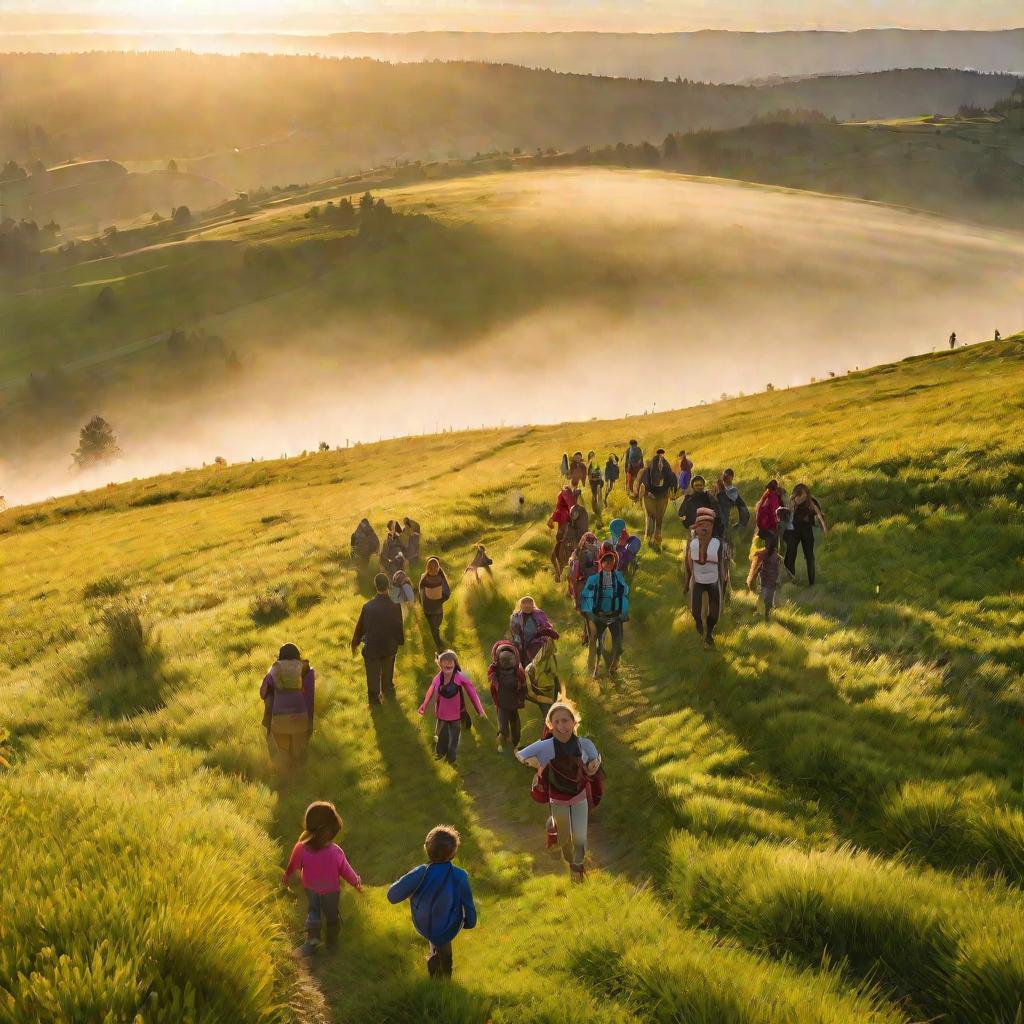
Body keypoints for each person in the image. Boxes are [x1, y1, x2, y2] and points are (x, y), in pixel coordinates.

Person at [516, 699, 602, 883]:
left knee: (580, 839)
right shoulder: (545, 746)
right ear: (550, 724)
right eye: (556, 722)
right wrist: (534, 763)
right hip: (557, 799)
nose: (561, 725)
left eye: (565, 720)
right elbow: (520, 754)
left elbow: (595, 759)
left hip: (579, 797)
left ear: (574, 722)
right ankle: (571, 860)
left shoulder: (584, 744)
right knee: (565, 842)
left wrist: (595, 765)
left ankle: (577, 870)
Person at [387, 825, 477, 980]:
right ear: (453, 853)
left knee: (434, 935)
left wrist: (406, 884)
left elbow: (392, 896)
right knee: (444, 944)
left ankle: (435, 963)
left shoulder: (421, 872)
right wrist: (470, 922)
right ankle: (445, 974)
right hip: (449, 923)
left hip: (424, 922)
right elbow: (468, 904)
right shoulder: (459, 875)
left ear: (426, 848)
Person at [282, 801, 363, 956]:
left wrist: (286, 879)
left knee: (316, 912)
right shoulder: (335, 852)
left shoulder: (302, 848)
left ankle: (317, 940)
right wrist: (356, 883)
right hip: (330, 890)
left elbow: (292, 867)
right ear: (329, 832)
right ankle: (328, 942)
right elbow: (346, 871)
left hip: (314, 889)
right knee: (328, 914)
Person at [418, 650, 486, 765]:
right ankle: (439, 753)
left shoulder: (460, 677)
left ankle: (451, 759)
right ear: (440, 664)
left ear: (455, 664)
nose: (448, 665)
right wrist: (424, 705)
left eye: (450, 663)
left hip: (456, 715)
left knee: (454, 739)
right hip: (442, 714)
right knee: (441, 736)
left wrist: (479, 710)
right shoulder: (437, 679)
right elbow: (430, 692)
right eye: (445, 663)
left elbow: (472, 693)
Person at [351, 573, 405, 705]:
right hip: (389, 646)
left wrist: (355, 642)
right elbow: (398, 626)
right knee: (387, 672)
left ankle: (374, 699)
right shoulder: (395, 606)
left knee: (372, 674)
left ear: (375, 586)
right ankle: (388, 691)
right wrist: (399, 641)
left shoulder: (368, 607)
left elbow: (361, 627)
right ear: (388, 585)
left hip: (372, 647)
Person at [260, 643, 315, 768]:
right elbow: (309, 699)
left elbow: (262, 693)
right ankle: (302, 779)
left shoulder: (276, 668)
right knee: (300, 756)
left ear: (280, 656)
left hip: (280, 720)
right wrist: (310, 724)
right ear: (297, 656)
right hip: (300, 719)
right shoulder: (307, 670)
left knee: (285, 754)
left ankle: (285, 777)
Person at [580, 550, 629, 678]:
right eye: (606, 563)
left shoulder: (618, 576)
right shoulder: (594, 579)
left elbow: (625, 591)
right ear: (601, 564)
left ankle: (614, 664)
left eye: (611, 563)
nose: (609, 565)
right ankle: (591, 669)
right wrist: (589, 615)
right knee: (594, 642)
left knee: (618, 642)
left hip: (614, 615)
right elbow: (586, 595)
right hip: (599, 616)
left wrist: (623, 611)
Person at [685, 508, 723, 649]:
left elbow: (721, 565)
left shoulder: (717, 544)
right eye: (702, 525)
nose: (705, 528)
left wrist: (723, 580)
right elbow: (689, 562)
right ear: (697, 527)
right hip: (698, 580)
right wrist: (688, 579)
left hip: (713, 581)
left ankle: (709, 634)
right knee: (695, 611)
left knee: (714, 614)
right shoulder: (693, 544)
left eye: (709, 525)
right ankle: (699, 625)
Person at [784, 483, 828, 584]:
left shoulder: (811, 502)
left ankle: (812, 581)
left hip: (806, 529)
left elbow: (820, 517)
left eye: (804, 496)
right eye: (800, 496)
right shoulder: (791, 501)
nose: (801, 499)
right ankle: (790, 579)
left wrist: (825, 530)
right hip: (793, 530)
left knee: (809, 555)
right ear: (796, 495)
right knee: (791, 553)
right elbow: (785, 517)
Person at [488, 640, 527, 751]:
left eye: (509, 659)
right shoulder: (495, 672)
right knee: (503, 727)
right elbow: (493, 689)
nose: (506, 662)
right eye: (504, 660)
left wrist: (521, 699)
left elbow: (523, 688)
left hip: (513, 704)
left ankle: (515, 743)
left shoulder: (518, 674)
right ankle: (502, 745)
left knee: (515, 726)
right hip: (502, 704)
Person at [636, 448, 678, 549]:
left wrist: (672, 490)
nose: (661, 455)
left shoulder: (665, 464)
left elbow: (671, 476)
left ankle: (655, 540)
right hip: (651, 494)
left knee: (658, 518)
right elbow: (647, 476)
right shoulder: (654, 464)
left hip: (661, 495)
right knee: (652, 517)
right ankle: (650, 538)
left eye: (662, 454)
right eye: (660, 453)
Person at [509, 596, 557, 666]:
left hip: (538, 640)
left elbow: (547, 626)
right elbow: (514, 630)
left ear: (533, 604)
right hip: (522, 642)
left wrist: (546, 633)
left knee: (537, 652)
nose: (527, 606)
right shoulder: (515, 616)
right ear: (521, 606)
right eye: (524, 604)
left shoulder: (539, 614)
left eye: (529, 604)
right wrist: (517, 640)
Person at [524, 633, 562, 721]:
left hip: (552, 691)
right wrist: (547, 700)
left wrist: (558, 694)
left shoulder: (552, 660)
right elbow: (531, 694)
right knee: (548, 717)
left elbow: (556, 677)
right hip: (541, 694)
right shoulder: (529, 670)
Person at [747, 532, 782, 622]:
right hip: (767, 581)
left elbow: (779, 569)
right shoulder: (775, 557)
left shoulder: (774, 557)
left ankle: (765, 614)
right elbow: (759, 567)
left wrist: (754, 576)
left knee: (766, 597)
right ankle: (764, 613)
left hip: (769, 581)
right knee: (765, 597)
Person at [418, 557, 451, 650]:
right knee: (434, 628)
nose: (434, 570)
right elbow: (420, 594)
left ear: (438, 568)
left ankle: (438, 642)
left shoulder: (440, 578)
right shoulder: (424, 579)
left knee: (436, 625)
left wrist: (439, 600)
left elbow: (447, 593)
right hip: (430, 609)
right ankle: (439, 645)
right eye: (432, 568)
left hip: (435, 608)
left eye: (435, 568)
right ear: (428, 568)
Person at [547, 485, 576, 582]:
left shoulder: (562, 511)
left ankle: (559, 576)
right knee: (560, 558)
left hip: (563, 537)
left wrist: (551, 519)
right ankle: (560, 575)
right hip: (568, 537)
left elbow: (554, 518)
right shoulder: (570, 510)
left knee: (555, 558)